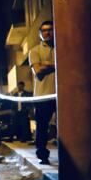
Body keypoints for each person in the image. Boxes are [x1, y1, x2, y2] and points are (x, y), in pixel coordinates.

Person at [28, 20, 56, 165]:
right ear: (40, 34)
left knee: (65, 127)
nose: (47, 32)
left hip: (61, 94)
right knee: (42, 128)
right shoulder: (34, 51)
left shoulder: (61, 48)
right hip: (42, 95)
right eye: (44, 30)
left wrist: (47, 65)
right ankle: (42, 155)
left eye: (50, 29)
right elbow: (38, 71)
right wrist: (57, 65)